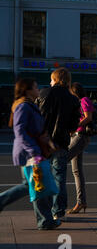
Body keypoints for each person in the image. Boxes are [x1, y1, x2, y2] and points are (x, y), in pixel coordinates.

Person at [0, 78, 60, 230]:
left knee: (32, 185)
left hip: (33, 151)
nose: (38, 89)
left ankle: (45, 220)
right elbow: (19, 131)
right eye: (35, 87)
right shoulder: (23, 106)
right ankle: (45, 221)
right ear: (27, 90)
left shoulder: (29, 105)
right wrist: (34, 152)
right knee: (37, 185)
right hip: (30, 153)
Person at [36, 68, 81, 222]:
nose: (50, 82)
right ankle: (58, 212)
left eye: (51, 79)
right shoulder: (73, 99)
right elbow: (74, 125)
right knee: (59, 178)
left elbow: (35, 116)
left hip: (42, 143)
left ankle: (45, 213)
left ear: (55, 79)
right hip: (61, 143)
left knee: (42, 178)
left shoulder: (43, 93)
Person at [67, 82, 94, 214]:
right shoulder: (78, 101)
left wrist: (75, 126)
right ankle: (81, 202)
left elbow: (88, 117)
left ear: (74, 92)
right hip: (76, 135)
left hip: (81, 136)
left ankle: (78, 202)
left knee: (61, 160)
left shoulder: (84, 100)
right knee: (76, 171)